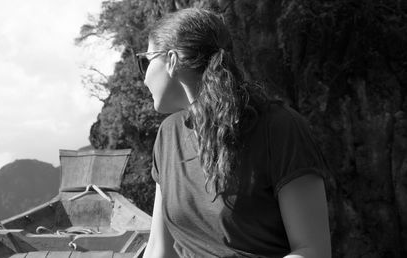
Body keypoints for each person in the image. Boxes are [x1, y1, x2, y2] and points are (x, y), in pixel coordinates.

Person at [136, 8, 332, 258]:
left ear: (172, 61)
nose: (143, 79)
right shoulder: (168, 135)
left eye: (145, 61)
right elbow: (158, 249)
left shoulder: (280, 129)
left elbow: (313, 251)